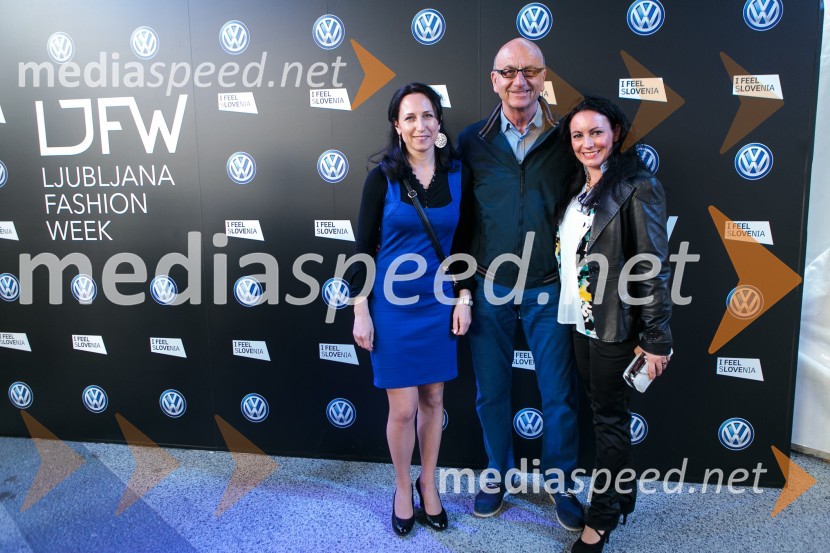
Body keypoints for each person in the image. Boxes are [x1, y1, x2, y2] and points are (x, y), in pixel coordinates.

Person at [456, 38, 583, 531]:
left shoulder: (566, 137)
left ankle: (562, 483)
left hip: (549, 287)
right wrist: (463, 288)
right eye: (509, 72)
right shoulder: (472, 140)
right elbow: (462, 222)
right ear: (495, 80)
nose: (519, 81)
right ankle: (497, 475)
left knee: (558, 395)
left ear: (544, 77)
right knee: (491, 393)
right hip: (489, 287)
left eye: (530, 71)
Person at [350, 83, 472, 536]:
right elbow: (362, 250)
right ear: (396, 127)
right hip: (393, 306)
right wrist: (360, 310)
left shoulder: (458, 174)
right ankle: (403, 487)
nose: (420, 125)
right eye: (410, 118)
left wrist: (463, 297)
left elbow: (464, 245)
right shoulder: (381, 178)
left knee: (434, 400)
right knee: (402, 410)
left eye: (428, 116)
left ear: (439, 123)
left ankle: (429, 483)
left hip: (439, 302)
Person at [555, 96, 672, 552]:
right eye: (578, 135)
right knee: (605, 414)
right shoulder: (580, 186)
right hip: (581, 321)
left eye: (597, 132)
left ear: (616, 133)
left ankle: (600, 520)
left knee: (608, 421)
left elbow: (653, 265)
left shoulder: (638, 186)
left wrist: (657, 339)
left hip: (614, 326)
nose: (588, 143)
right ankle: (622, 495)